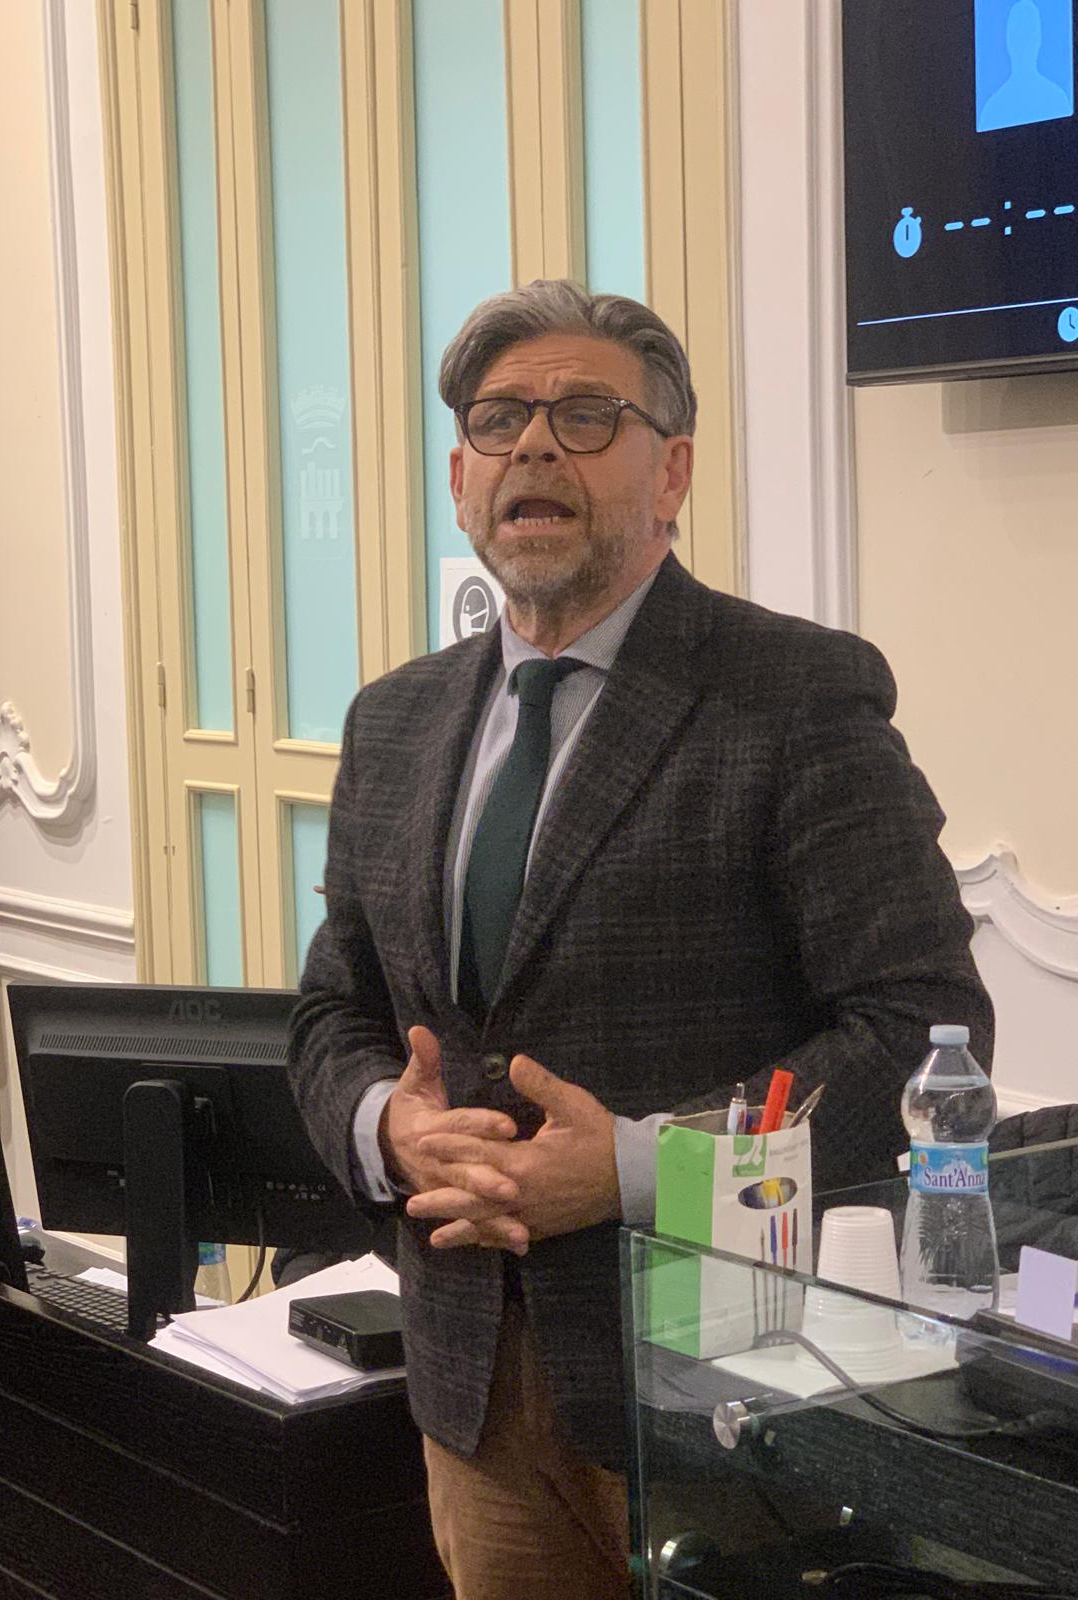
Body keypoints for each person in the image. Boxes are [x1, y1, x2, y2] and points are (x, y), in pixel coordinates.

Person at [287, 279, 994, 1599]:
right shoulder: (393, 721)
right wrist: (391, 1125)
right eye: (499, 420)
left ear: (671, 472)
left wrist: (633, 1168)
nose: (533, 446)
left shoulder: (795, 694)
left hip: (725, 1402)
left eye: (585, 416)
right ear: (461, 478)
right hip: (472, 1394)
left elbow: (916, 1028)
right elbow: (334, 1011)